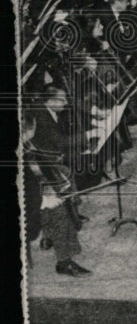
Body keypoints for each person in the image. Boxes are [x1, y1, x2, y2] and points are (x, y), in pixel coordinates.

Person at [22, 115, 91, 277]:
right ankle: (64, 262)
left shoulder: (24, 143)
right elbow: (27, 186)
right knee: (59, 212)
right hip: (27, 207)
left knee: (64, 174)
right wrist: (44, 200)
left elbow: (35, 170)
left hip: (31, 192)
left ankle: (49, 236)